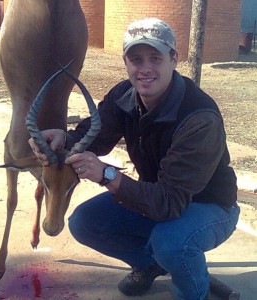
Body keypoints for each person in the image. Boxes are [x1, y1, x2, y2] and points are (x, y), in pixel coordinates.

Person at [29, 18, 240, 300]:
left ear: (174, 59)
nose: (145, 69)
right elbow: (96, 134)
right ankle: (153, 265)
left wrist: (107, 174)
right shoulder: (125, 95)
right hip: (156, 195)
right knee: (85, 222)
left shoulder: (198, 118)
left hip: (208, 206)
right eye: (136, 59)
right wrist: (63, 139)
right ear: (126, 62)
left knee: (171, 243)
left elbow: (169, 203)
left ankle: (193, 288)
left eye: (155, 58)